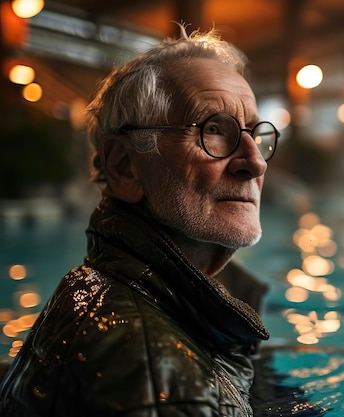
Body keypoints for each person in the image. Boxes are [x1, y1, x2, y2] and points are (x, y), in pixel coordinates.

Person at [0, 25, 281, 416]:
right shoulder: (153, 373)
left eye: (255, 134)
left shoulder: (112, 291)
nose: (254, 162)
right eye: (213, 130)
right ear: (125, 167)